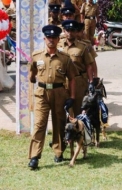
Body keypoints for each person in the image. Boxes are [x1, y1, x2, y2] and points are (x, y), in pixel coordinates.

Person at [28, 25, 78, 169]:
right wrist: (32, 79)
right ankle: (34, 157)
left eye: (54, 38)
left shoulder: (65, 58)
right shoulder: (36, 56)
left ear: (58, 39)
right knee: (39, 124)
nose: (51, 40)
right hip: (42, 94)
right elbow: (32, 73)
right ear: (44, 39)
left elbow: (72, 78)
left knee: (59, 123)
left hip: (59, 93)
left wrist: (72, 97)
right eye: (48, 37)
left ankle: (58, 152)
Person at [59, 20, 97, 117]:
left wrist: (92, 81)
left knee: (78, 109)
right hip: (62, 81)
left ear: (76, 32)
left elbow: (89, 65)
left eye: (72, 30)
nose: (70, 33)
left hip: (78, 81)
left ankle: (79, 130)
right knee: (61, 110)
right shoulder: (58, 46)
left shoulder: (83, 47)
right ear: (64, 31)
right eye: (67, 30)